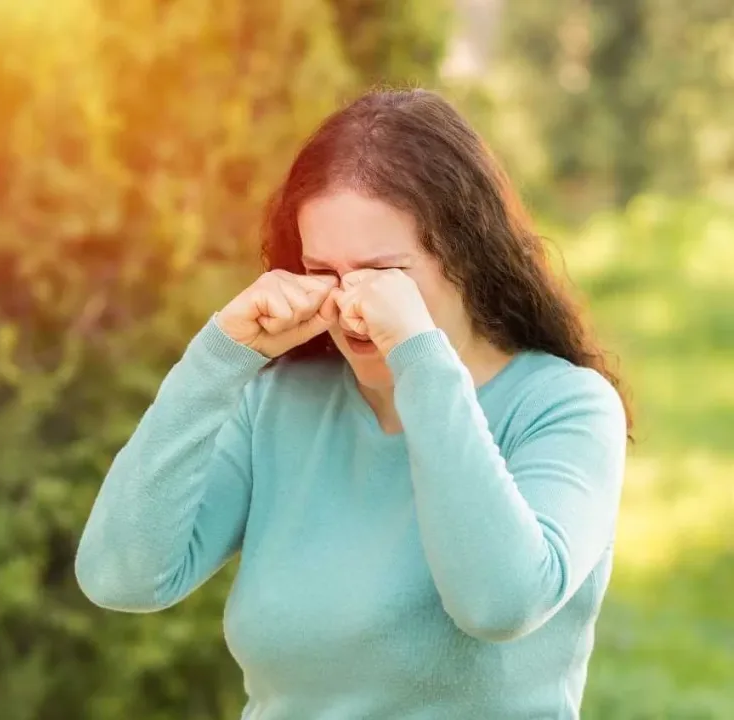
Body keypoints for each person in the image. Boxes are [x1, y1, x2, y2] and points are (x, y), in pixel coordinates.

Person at [74, 88, 631, 719]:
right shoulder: (280, 404)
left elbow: (500, 604)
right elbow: (122, 577)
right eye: (324, 272)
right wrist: (218, 359)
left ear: (466, 257)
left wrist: (419, 358)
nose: (350, 305)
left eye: (383, 273)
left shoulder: (565, 406)